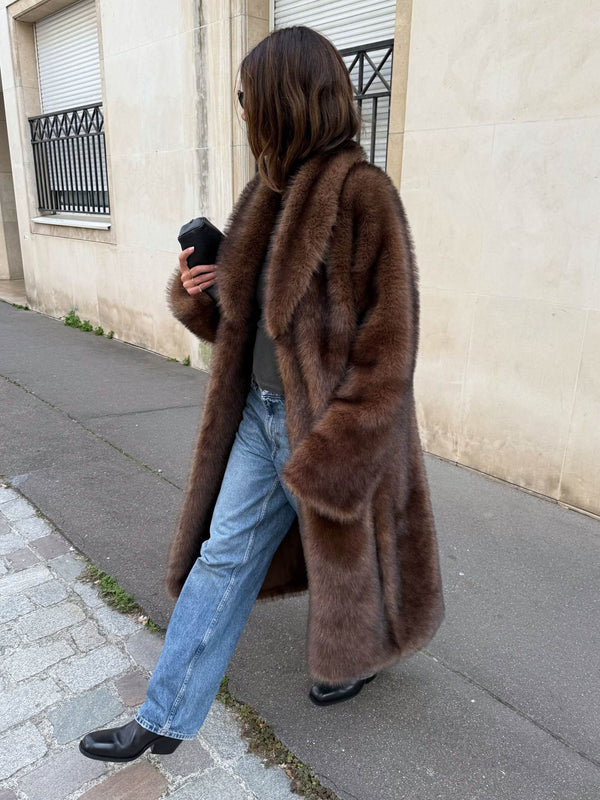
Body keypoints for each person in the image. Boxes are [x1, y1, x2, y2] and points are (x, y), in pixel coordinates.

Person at [79, 24, 445, 764]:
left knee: (352, 558)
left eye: (250, 97)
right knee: (224, 558)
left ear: (288, 98)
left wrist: (335, 449)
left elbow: (390, 347)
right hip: (257, 417)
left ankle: (361, 656)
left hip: (331, 425)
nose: (243, 110)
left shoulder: (364, 194)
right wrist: (204, 292)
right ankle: (163, 717)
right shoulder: (263, 192)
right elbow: (246, 322)